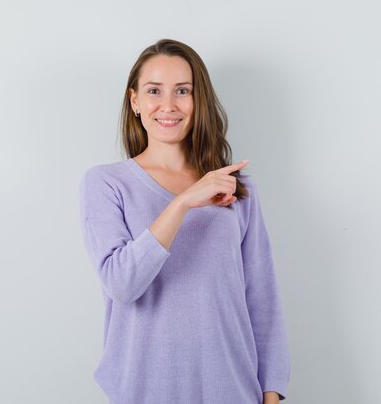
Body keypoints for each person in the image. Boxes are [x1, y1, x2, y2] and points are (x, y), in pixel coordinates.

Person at [78, 39, 291, 404]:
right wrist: (184, 203)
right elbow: (121, 284)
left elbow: (262, 297)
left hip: (233, 390)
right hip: (146, 390)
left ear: (197, 100)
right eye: (154, 91)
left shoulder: (234, 189)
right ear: (135, 102)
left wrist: (271, 395)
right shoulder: (106, 183)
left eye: (182, 91)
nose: (169, 105)